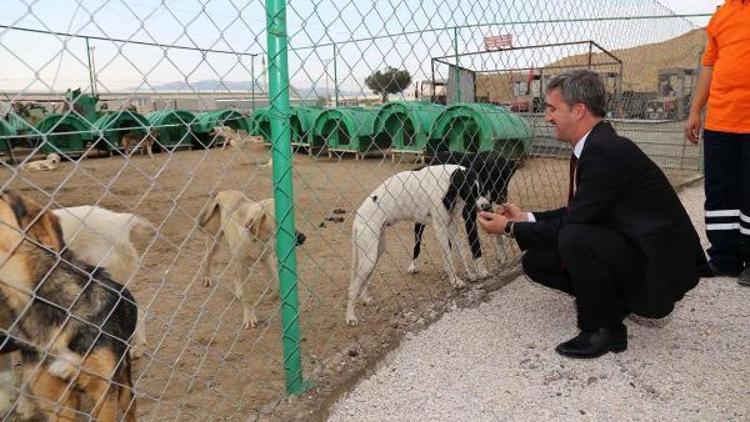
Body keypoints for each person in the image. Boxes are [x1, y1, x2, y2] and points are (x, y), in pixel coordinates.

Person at [478, 70, 706, 359]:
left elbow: (575, 224)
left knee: (575, 238)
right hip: (635, 249)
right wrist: (525, 218)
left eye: (552, 108)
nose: (547, 117)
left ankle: (604, 330)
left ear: (579, 110)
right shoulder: (597, 146)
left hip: (658, 268)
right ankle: (612, 304)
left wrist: (509, 229)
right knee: (537, 262)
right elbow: (580, 211)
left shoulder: (605, 152)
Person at [685, 0, 750, 287]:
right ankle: (725, 258)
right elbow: (709, 67)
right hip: (721, 122)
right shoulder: (721, 16)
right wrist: (695, 111)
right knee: (720, 192)